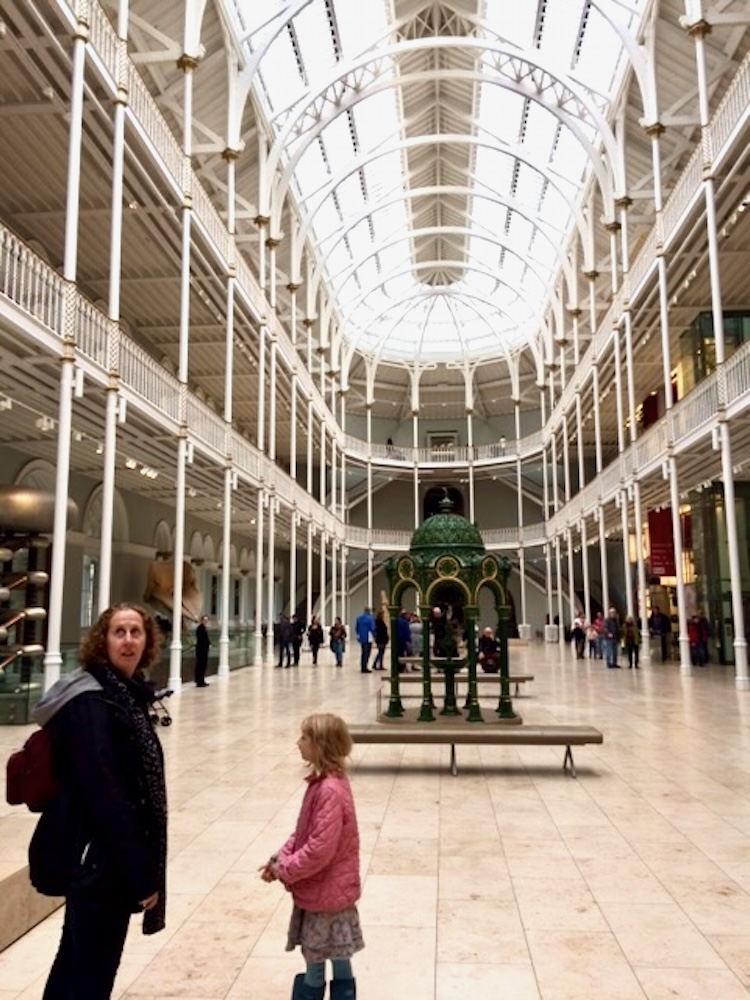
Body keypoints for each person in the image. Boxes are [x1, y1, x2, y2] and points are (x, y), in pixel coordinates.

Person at [29, 603, 168, 1000]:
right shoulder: (94, 703)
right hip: (98, 861)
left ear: (147, 641)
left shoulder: (123, 693)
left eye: (135, 632)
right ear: (101, 641)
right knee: (89, 973)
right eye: (119, 632)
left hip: (100, 859)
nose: (128, 641)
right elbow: (106, 794)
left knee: (79, 963)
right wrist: (141, 873)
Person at [260, 713, 363, 1000]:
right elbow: (304, 833)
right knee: (340, 954)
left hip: (324, 893)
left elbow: (319, 849)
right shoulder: (327, 782)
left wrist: (286, 869)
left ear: (321, 745)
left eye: (304, 738)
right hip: (331, 891)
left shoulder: (328, 789)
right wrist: (277, 859)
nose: (298, 743)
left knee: (316, 960)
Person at [354, 606, 375, 673]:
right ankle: (365, 666)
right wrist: (374, 635)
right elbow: (372, 628)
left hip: (362, 637)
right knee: (367, 653)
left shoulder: (359, 618)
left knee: (363, 652)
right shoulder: (370, 619)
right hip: (368, 637)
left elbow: (356, 628)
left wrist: (359, 635)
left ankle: (362, 666)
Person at [194, 614, 210, 687]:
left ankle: (202, 680)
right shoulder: (200, 628)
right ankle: (199, 681)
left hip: (204, 650)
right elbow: (201, 639)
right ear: (202, 621)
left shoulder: (204, 628)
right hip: (201, 650)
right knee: (200, 665)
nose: (205, 622)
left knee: (203, 665)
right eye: (204, 620)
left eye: (206, 620)